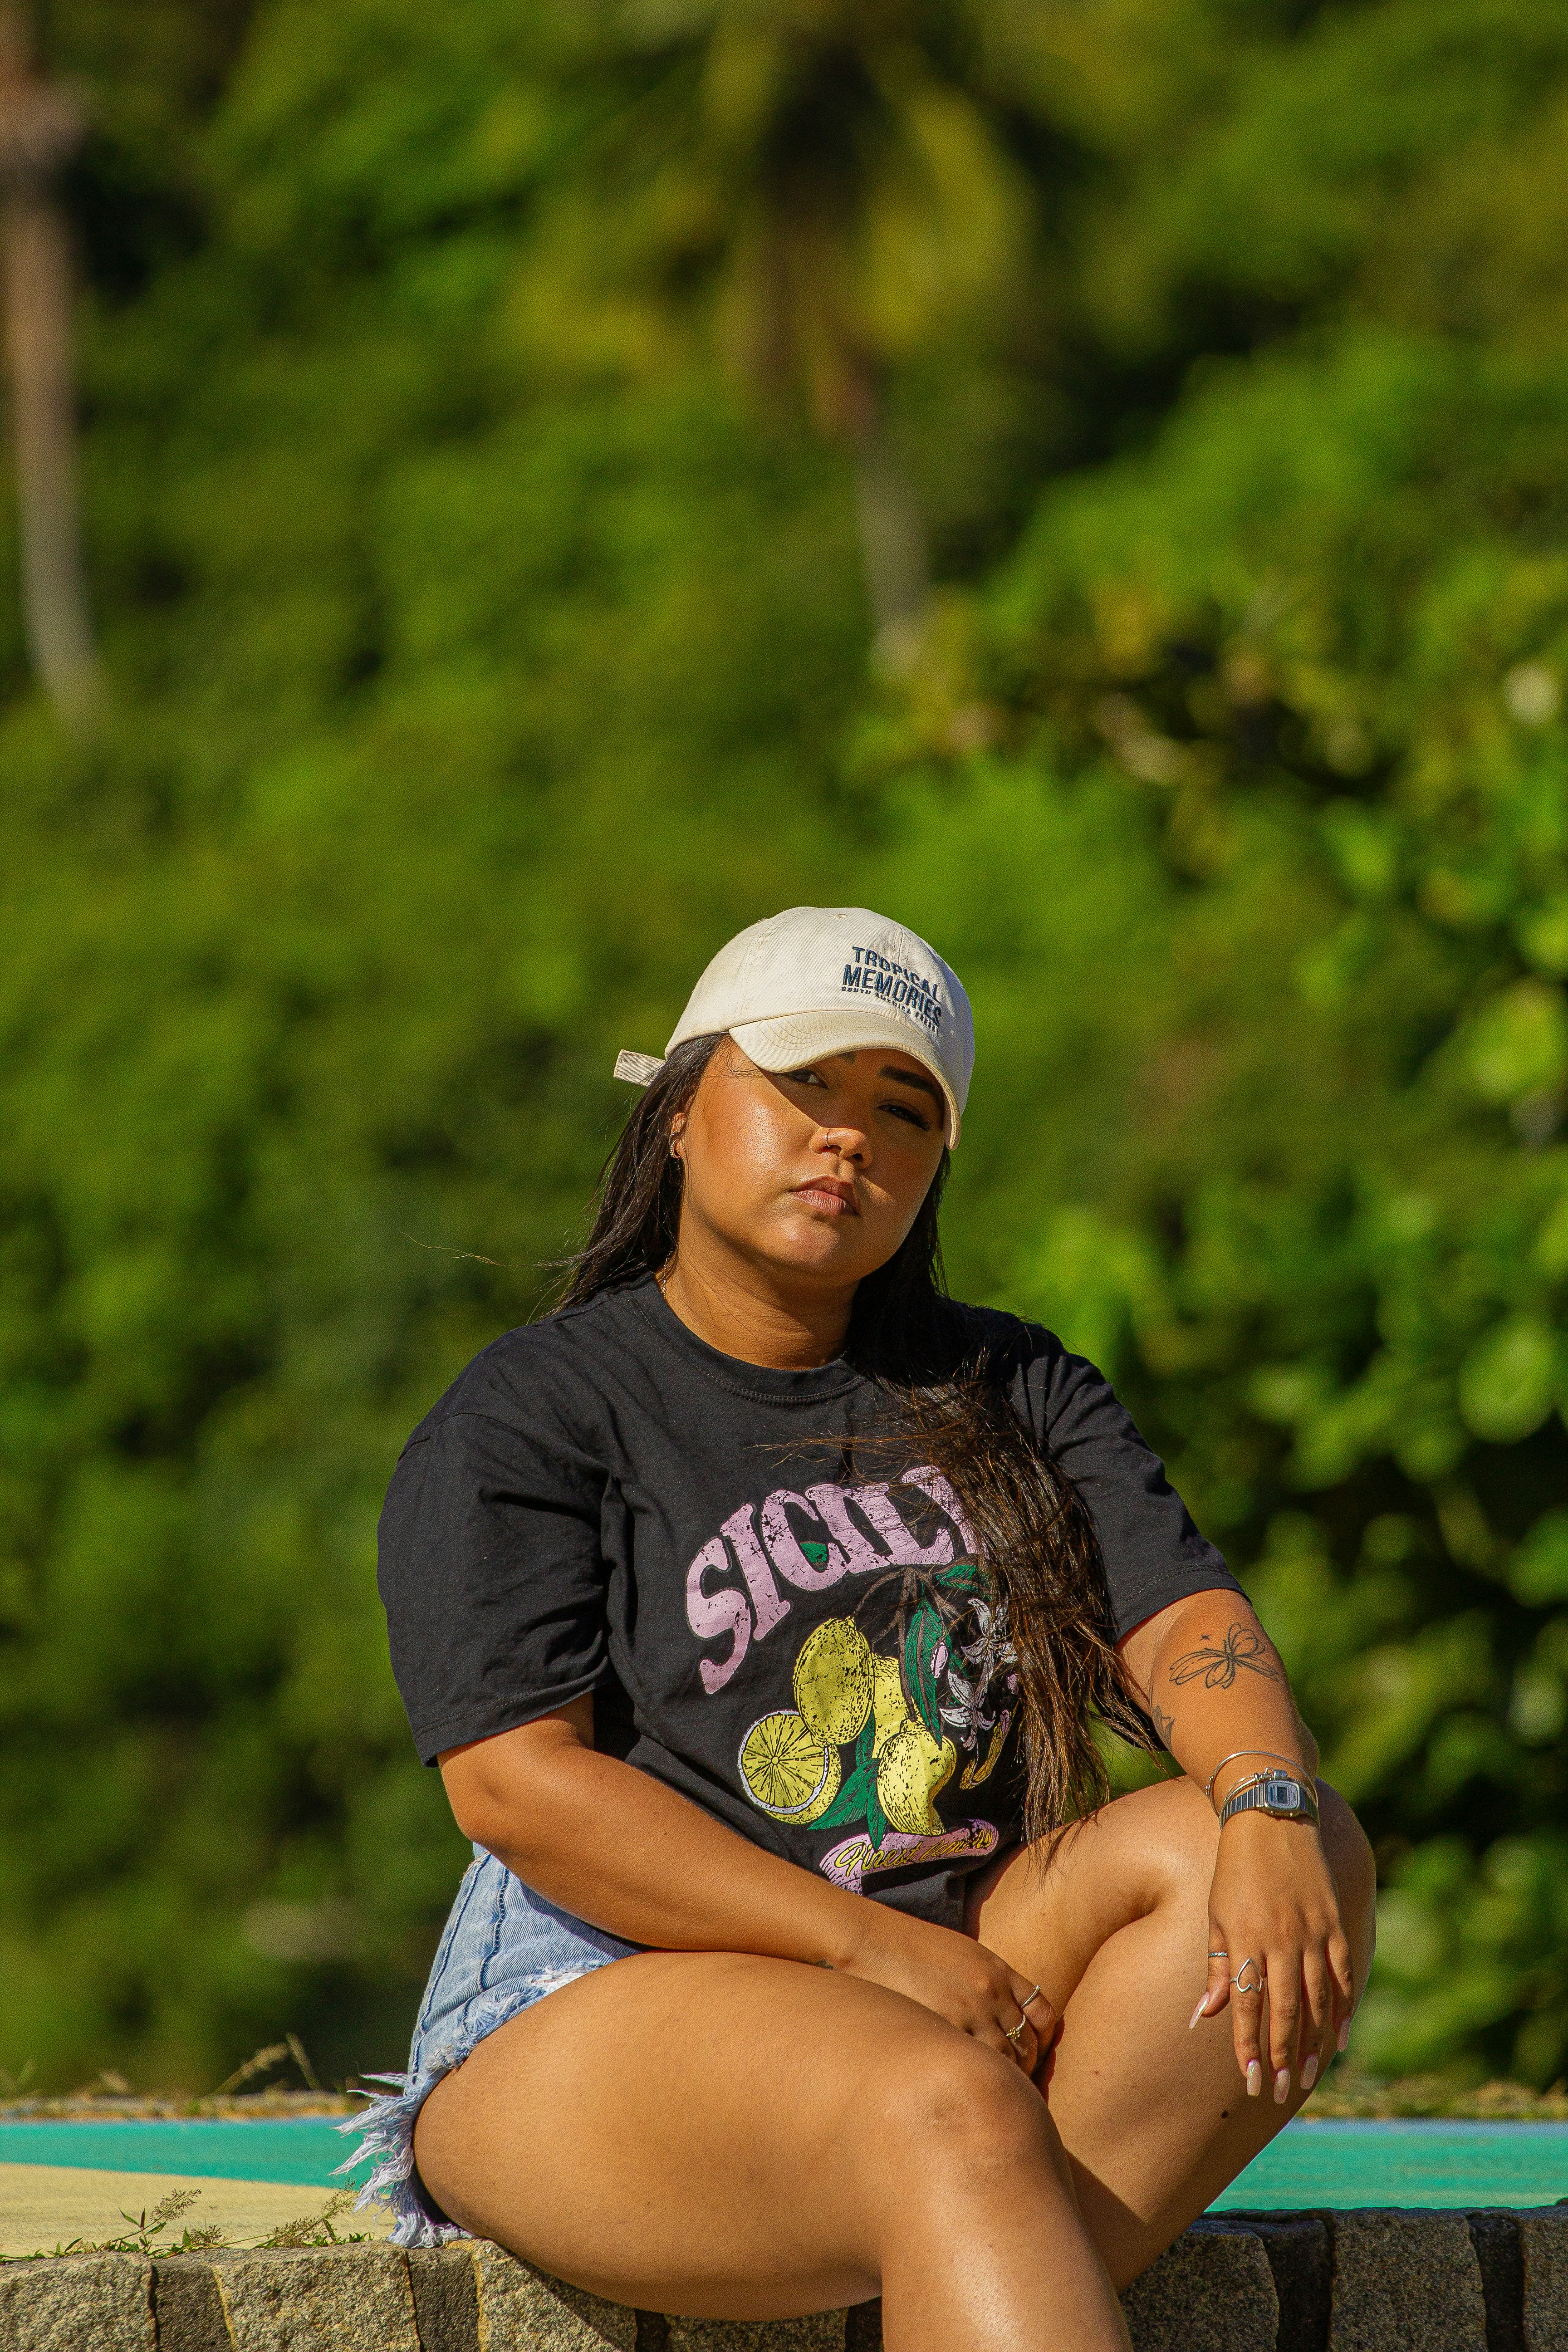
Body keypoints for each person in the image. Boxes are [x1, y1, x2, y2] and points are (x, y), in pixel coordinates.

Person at [348, 906, 1375, 2352]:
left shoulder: (1007, 1384)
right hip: (600, 1989)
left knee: (1285, 1844)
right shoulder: (534, 1411)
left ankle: (973, 2269)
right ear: (683, 1113)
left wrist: (1269, 1799)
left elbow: (1183, 1612)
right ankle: (968, 2221)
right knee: (943, 2106)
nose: (851, 1140)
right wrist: (860, 1955)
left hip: (952, 1949)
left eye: (903, 1110)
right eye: (806, 1084)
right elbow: (518, 1785)